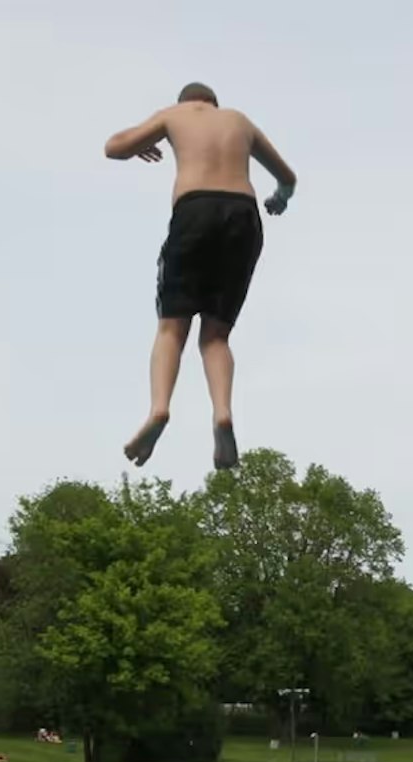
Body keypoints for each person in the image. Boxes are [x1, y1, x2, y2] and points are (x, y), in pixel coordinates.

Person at [104, 82, 297, 471]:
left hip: (196, 210)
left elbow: (114, 147)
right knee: (216, 336)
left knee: (171, 329)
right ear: (214, 103)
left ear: (188, 103)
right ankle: (222, 412)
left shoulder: (175, 115)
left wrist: (142, 142)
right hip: (244, 219)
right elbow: (288, 178)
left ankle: (159, 409)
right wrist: (279, 197)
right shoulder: (240, 121)